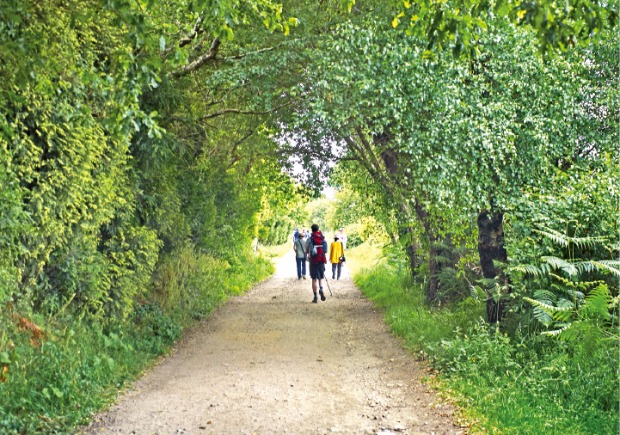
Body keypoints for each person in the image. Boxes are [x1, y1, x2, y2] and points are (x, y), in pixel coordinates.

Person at [305, 223, 328, 303]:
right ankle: (321, 289)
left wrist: (308, 254)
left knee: (314, 279)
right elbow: (325, 250)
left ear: (312, 230)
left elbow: (306, 249)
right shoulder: (322, 238)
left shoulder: (310, 239)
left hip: (313, 260)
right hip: (321, 260)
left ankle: (315, 297)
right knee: (321, 278)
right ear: (318, 229)